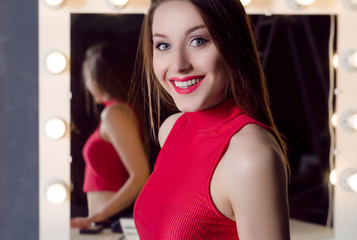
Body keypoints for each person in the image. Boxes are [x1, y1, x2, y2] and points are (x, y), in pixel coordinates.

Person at [133, 0, 291, 239]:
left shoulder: (250, 155)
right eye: (163, 45)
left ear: (233, 44)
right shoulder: (171, 129)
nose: (178, 65)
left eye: (198, 41)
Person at [70, 42, 150, 231]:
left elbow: (140, 175)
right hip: (105, 222)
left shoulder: (115, 114)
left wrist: (99, 216)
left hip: (112, 223)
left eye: (88, 77)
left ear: (97, 79)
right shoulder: (118, 112)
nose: (87, 84)